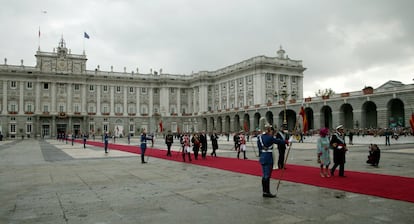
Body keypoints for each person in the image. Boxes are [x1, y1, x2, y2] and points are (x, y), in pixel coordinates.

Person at [257, 124, 289, 198]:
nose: (272, 132)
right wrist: (286, 142)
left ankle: (264, 191)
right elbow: (278, 141)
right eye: (271, 130)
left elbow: (259, 147)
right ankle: (267, 192)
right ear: (269, 130)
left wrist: (261, 154)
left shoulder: (260, 137)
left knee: (264, 175)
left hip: (262, 157)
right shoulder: (270, 137)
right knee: (267, 175)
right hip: (268, 157)